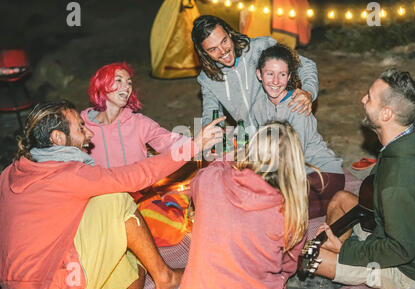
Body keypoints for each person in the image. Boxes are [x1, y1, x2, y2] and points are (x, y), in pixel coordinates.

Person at [0, 100, 224, 289]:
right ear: (58, 138)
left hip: (19, 284)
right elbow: (135, 176)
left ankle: (154, 275)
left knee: (131, 263)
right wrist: (193, 146)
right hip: (53, 284)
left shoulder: (9, 173)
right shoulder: (66, 175)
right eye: (80, 128)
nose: (89, 134)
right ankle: (165, 277)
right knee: (114, 198)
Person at [311, 69, 415, 289]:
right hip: (394, 229)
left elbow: (400, 250)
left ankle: (334, 268)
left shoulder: (401, 182)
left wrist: (347, 250)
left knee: (311, 256)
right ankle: (338, 263)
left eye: (369, 97)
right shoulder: (414, 134)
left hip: (409, 269)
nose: (362, 100)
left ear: (386, 114)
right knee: (341, 199)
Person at [179, 122, 316, 289]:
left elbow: (201, 179)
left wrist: (230, 156)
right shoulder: (290, 212)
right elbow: (289, 265)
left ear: (249, 151)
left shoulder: (209, 180)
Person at [254, 44, 344, 219]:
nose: (275, 81)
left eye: (282, 75)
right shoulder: (259, 106)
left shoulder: (297, 105)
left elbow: (293, 158)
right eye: (270, 74)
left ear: (289, 77)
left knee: (277, 211)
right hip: (292, 178)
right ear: (259, 74)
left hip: (321, 174)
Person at [191, 15, 319, 133]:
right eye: (213, 49)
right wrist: (210, 136)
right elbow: (212, 116)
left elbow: (305, 65)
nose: (223, 51)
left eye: (224, 41)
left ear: (229, 33)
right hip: (252, 140)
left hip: (285, 130)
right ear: (204, 53)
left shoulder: (260, 47)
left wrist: (308, 92)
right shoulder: (207, 79)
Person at [80, 62, 188, 168]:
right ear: (102, 85)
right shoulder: (83, 127)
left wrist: (196, 144)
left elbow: (168, 141)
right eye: (119, 80)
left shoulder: (139, 123)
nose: (126, 86)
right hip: (101, 185)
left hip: (137, 185)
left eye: (129, 83)